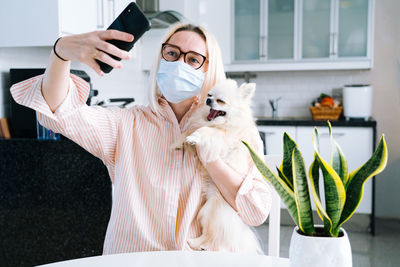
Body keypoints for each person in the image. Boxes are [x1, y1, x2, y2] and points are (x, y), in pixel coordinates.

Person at [10, 23, 272, 254]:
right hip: (133, 259)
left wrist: (212, 158)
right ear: (160, 59)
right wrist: (61, 52)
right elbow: (59, 110)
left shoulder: (237, 130)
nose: (180, 64)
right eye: (171, 54)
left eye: (193, 60)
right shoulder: (126, 125)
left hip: (207, 260)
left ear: (209, 69)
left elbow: (255, 210)